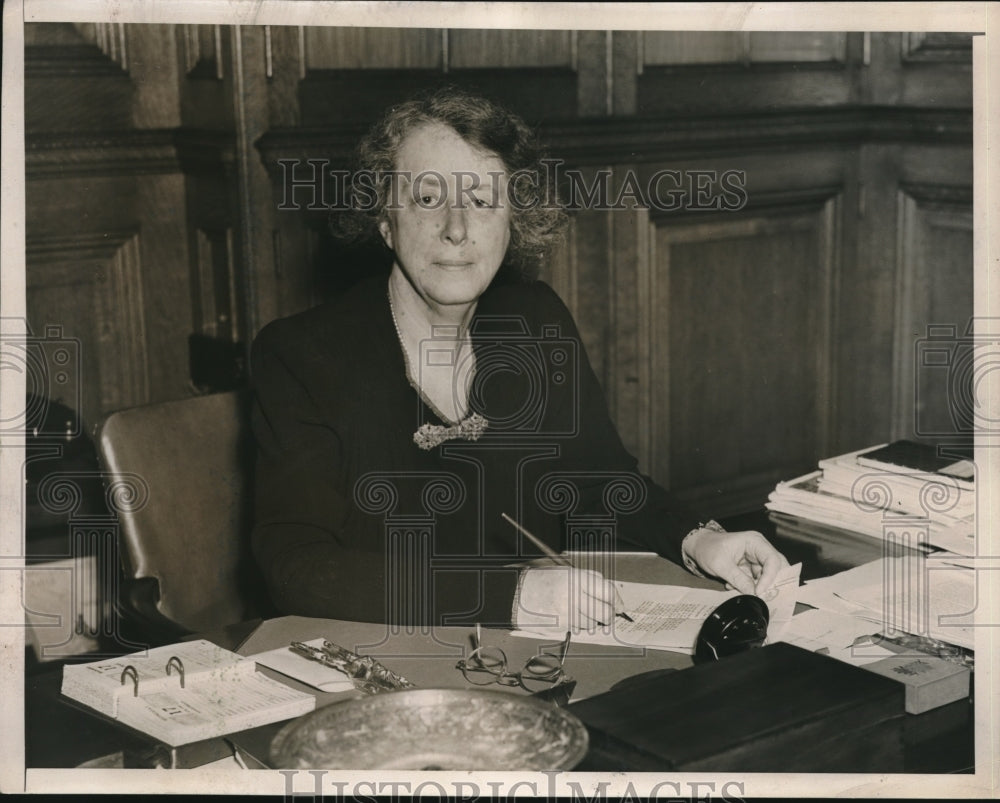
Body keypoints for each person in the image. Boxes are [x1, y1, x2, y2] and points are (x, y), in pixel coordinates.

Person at [250, 87, 789, 631]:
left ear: (514, 222)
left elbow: (600, 479)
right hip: (379, 655)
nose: (457, 229)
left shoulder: (535, 321)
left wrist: (698, 538)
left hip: (532, 655)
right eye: (429, 199)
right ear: (385, 219)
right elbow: (297, 567)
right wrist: (512, 596)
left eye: (483, 202)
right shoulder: (301, 357)